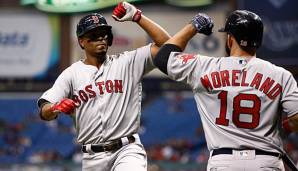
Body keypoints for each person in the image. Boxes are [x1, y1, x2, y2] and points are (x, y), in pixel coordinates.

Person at [153, 10, 298, 171]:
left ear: (230, 39)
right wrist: (283, 128)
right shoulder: (281, 74)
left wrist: (194, 26)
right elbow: (296, 117)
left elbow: (162, 58)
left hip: (224, 161)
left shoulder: (204, 67)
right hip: (266, 161)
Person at [37, 1, 170, 171]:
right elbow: (44, 110)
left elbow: (168, 45)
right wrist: (54, 107)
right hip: (92, 156)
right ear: (82, 41)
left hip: (127, 150)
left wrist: (138, 17)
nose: (100, 38)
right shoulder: (72, 73)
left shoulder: (128, 62)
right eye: (93, 35)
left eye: (104, 34)